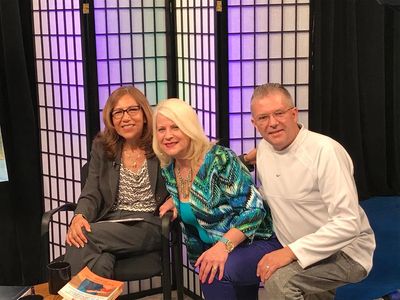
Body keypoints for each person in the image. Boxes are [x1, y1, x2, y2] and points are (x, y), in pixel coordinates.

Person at [248, 83, 375, 299]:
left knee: (280, 280)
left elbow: (348, 223)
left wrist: (289, 252)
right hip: (298, 245)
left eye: (279, 113)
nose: (272, 123)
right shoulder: (263, 150)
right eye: (263, 118)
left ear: (294, 113)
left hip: (345, 251)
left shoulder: (325, 151)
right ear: (254, 123)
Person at [153, 98, 282, 300]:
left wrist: (223, 246)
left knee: (212, 272)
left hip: (255, 242)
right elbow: (194, 198)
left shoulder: (220, 160)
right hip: (216, 249)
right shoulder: (170, 169)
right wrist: (176, 201)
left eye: (175, 127)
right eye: (161, 129)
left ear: (189, 128)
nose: (168, 135)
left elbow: (254, 210)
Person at [63, 86, 170, 278]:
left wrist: (176, 200)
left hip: (148, 224)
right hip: (111, 222)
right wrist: (79, 216)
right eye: (118, 112)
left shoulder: (160, 143)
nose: (125, 118)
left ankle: (62, 295)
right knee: (100, 262)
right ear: (111, 119)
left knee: (82, 236)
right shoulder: (102, 147)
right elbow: (92, 191)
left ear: (144, 113)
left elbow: (195, 166)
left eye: (132, 110)